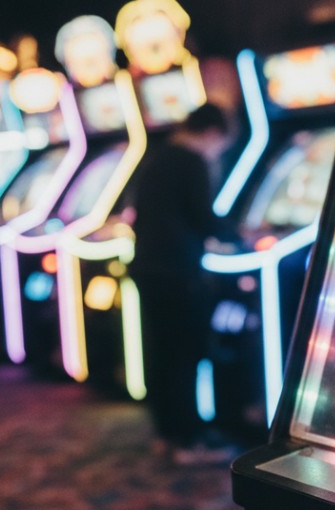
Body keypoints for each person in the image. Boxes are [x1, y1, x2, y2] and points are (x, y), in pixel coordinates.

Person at [130, 104, 237, 464]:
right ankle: (191, 441)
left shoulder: (156, 158)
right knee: (186, 356)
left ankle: (167, 433)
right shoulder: (191, 162)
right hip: (177, 272)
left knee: (160, 354)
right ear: (212, 134)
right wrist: (240, 235)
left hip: (148, 268)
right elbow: (202, 217)